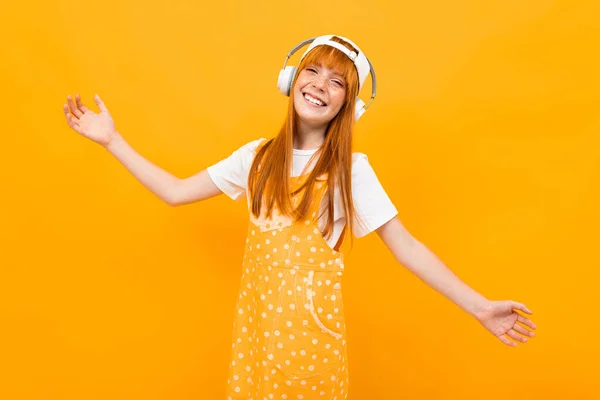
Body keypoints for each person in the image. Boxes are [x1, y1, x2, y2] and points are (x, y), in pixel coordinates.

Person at [63, 34, 537, 399]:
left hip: (309, 336)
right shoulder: (256, 157)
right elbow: (175, 191)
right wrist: (112, 141)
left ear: (348, 105)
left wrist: (480, 307)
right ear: (292, 80)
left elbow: (407, 247)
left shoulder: (351, 170)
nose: (320, 86)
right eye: (313, 71)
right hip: (256, 328)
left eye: (337, 83)